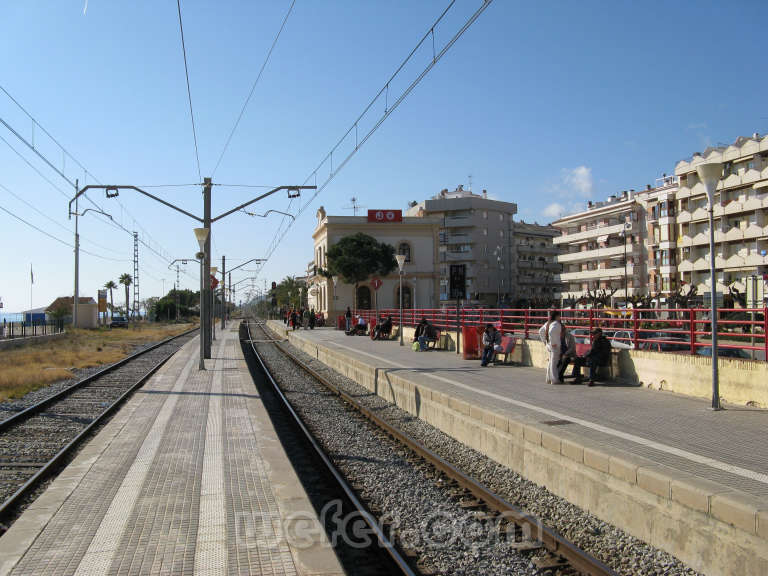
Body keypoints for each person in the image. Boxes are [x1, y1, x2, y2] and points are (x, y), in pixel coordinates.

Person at [538, 310, 563, 384]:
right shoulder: (556, 324)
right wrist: (553, 342)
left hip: (549, 345)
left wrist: (545, 341)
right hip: (554, 345)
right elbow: (551, 332)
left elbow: (540, 331)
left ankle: (548, 378)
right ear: (556, 316)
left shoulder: (547, 323)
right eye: (559, 316)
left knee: (550, 363)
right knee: (554, 363)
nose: (560, 317)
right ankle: (554, 380)